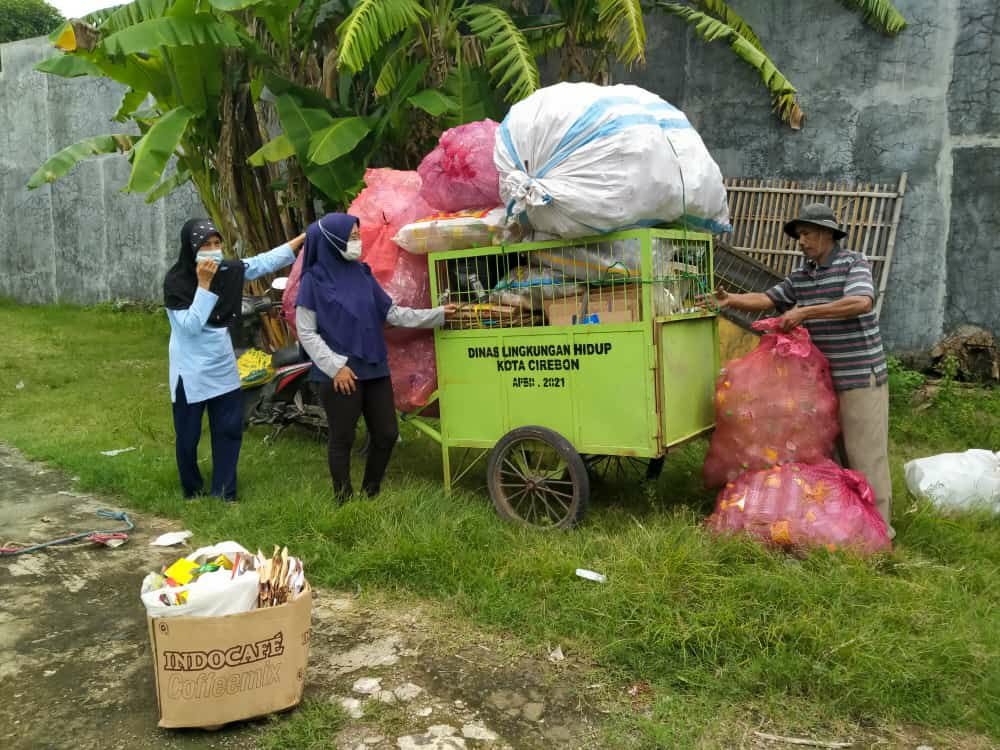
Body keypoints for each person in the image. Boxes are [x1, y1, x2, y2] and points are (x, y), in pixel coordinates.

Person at [708, 203, 894, 537]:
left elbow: (861, 302)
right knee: (832, 458)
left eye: (807, 233)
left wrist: (806, 312)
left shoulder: (853, 264)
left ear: (827, 234)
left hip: (859, 376)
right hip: (821, 386)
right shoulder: (802, 274)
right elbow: (768, 299)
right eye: (799, 235)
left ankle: (881, 532)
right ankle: (849, 527)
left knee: (865, 455)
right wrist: (731, 300)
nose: (802, 240)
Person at [295, 213, 456, 501]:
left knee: (386, 433)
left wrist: (439, 315)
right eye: (352, 237)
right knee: (342, 438)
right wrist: (336, 367)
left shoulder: (362, 273)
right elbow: (306, 332)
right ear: (333, 239)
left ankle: (371, 491)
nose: (357, 242)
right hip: (341, 373)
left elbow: (392, 313)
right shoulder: (313, 280)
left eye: (358, 236)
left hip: (374, 367)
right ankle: (343, 499)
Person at [163, 219, 305, 502]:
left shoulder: (227, 271)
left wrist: (300, 239)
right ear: (191, 249)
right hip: (189, 371)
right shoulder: (177, 282)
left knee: (228, 430)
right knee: (188, 437)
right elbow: (191, 326)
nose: (214, 251)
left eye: (217, 244)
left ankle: (225, 493)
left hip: (221, 365)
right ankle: (192, 490)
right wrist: (203, 285)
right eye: (206, 245)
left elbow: (261, 263)